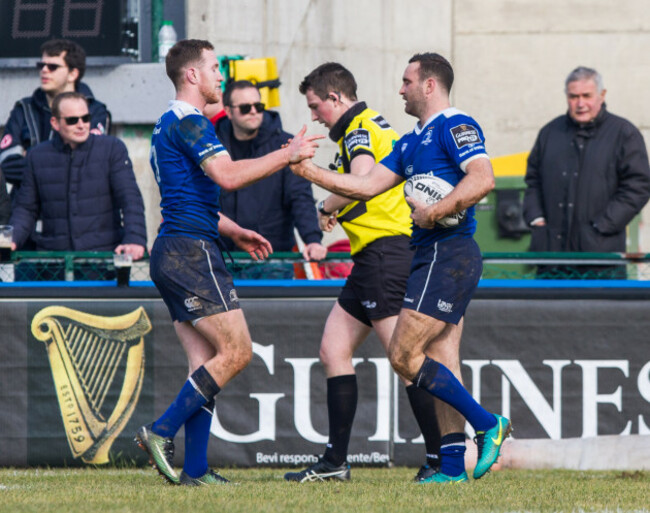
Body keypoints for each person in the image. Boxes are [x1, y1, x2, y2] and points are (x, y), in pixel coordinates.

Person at [289, 53, 511, 484]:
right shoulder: (410, 141)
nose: (400, 89)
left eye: (407, 81)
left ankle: (486, 424)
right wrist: (309, 171)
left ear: (429, 85)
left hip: (447, 252)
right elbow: (365, 185)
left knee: (404, 355)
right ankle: (449, 469)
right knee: (442, 361)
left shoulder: (455, 124)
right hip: (425, 254)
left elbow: (483, 178)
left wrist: (435, 211)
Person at [135, 39, 322, 486]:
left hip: (177, 248)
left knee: (206, 366)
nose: (221, 75)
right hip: (190, 252)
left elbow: (190, 196)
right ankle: (160, 431)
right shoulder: (193, 121)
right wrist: (287, 154)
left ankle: (195, 471)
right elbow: (228, 174)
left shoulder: (165, 123)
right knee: (237, 352)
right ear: (193, 75)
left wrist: (233, 230)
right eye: (215, 68)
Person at [284, 62, 443, 484]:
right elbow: (366, 184)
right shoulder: (372, 123)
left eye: (317, 106)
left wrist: (320, 194)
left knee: (407, 360)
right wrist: (334, 207)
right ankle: (335, 462)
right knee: (333, 349)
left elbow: (359, 178)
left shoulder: (357, 129)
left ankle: (440, 458)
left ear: (336, 98)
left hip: (384, 255)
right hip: (371, 257)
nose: (315, 115)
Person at [523, 66, 650, 279]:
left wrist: (602, 226)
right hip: (551, 257)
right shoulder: (549, 133)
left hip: (601, 258)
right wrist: (536, 219)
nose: (580, 103)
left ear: (602, 95)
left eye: (586, 96)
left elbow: (639, 185)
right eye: (573, 96)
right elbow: (532, 181)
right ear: (566, 97)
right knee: (548, 313)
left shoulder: (624, 134)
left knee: (603, 312)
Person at [8, 92, 146, 268]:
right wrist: (12, 239)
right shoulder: (37, 156)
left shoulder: (112, 149)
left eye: (86, 118)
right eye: (72, 120)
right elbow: (26, 209)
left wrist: (135, 238)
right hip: (53, 261)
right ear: (55, 123)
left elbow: (130, 198)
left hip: (103, 260)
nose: (81, 125)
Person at [215, 80, 327, 276]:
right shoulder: (213, 146)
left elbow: (300, 196)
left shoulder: (285, 145)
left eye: (258, 106)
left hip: (272, 258)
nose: (253, 112)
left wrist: (312, 239)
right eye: (245, 107)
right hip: (223, 258)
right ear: (228, 111)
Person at [0, 39, 111, 191]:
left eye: (53, 67)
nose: (44, 70)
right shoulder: (23, 110)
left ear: (73, 74)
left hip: (78, 207)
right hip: (29, 208)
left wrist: (31, 155)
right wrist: (59, 162)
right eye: (41, 65)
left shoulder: (94, 111)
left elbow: (89, 163)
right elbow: (6, 165)